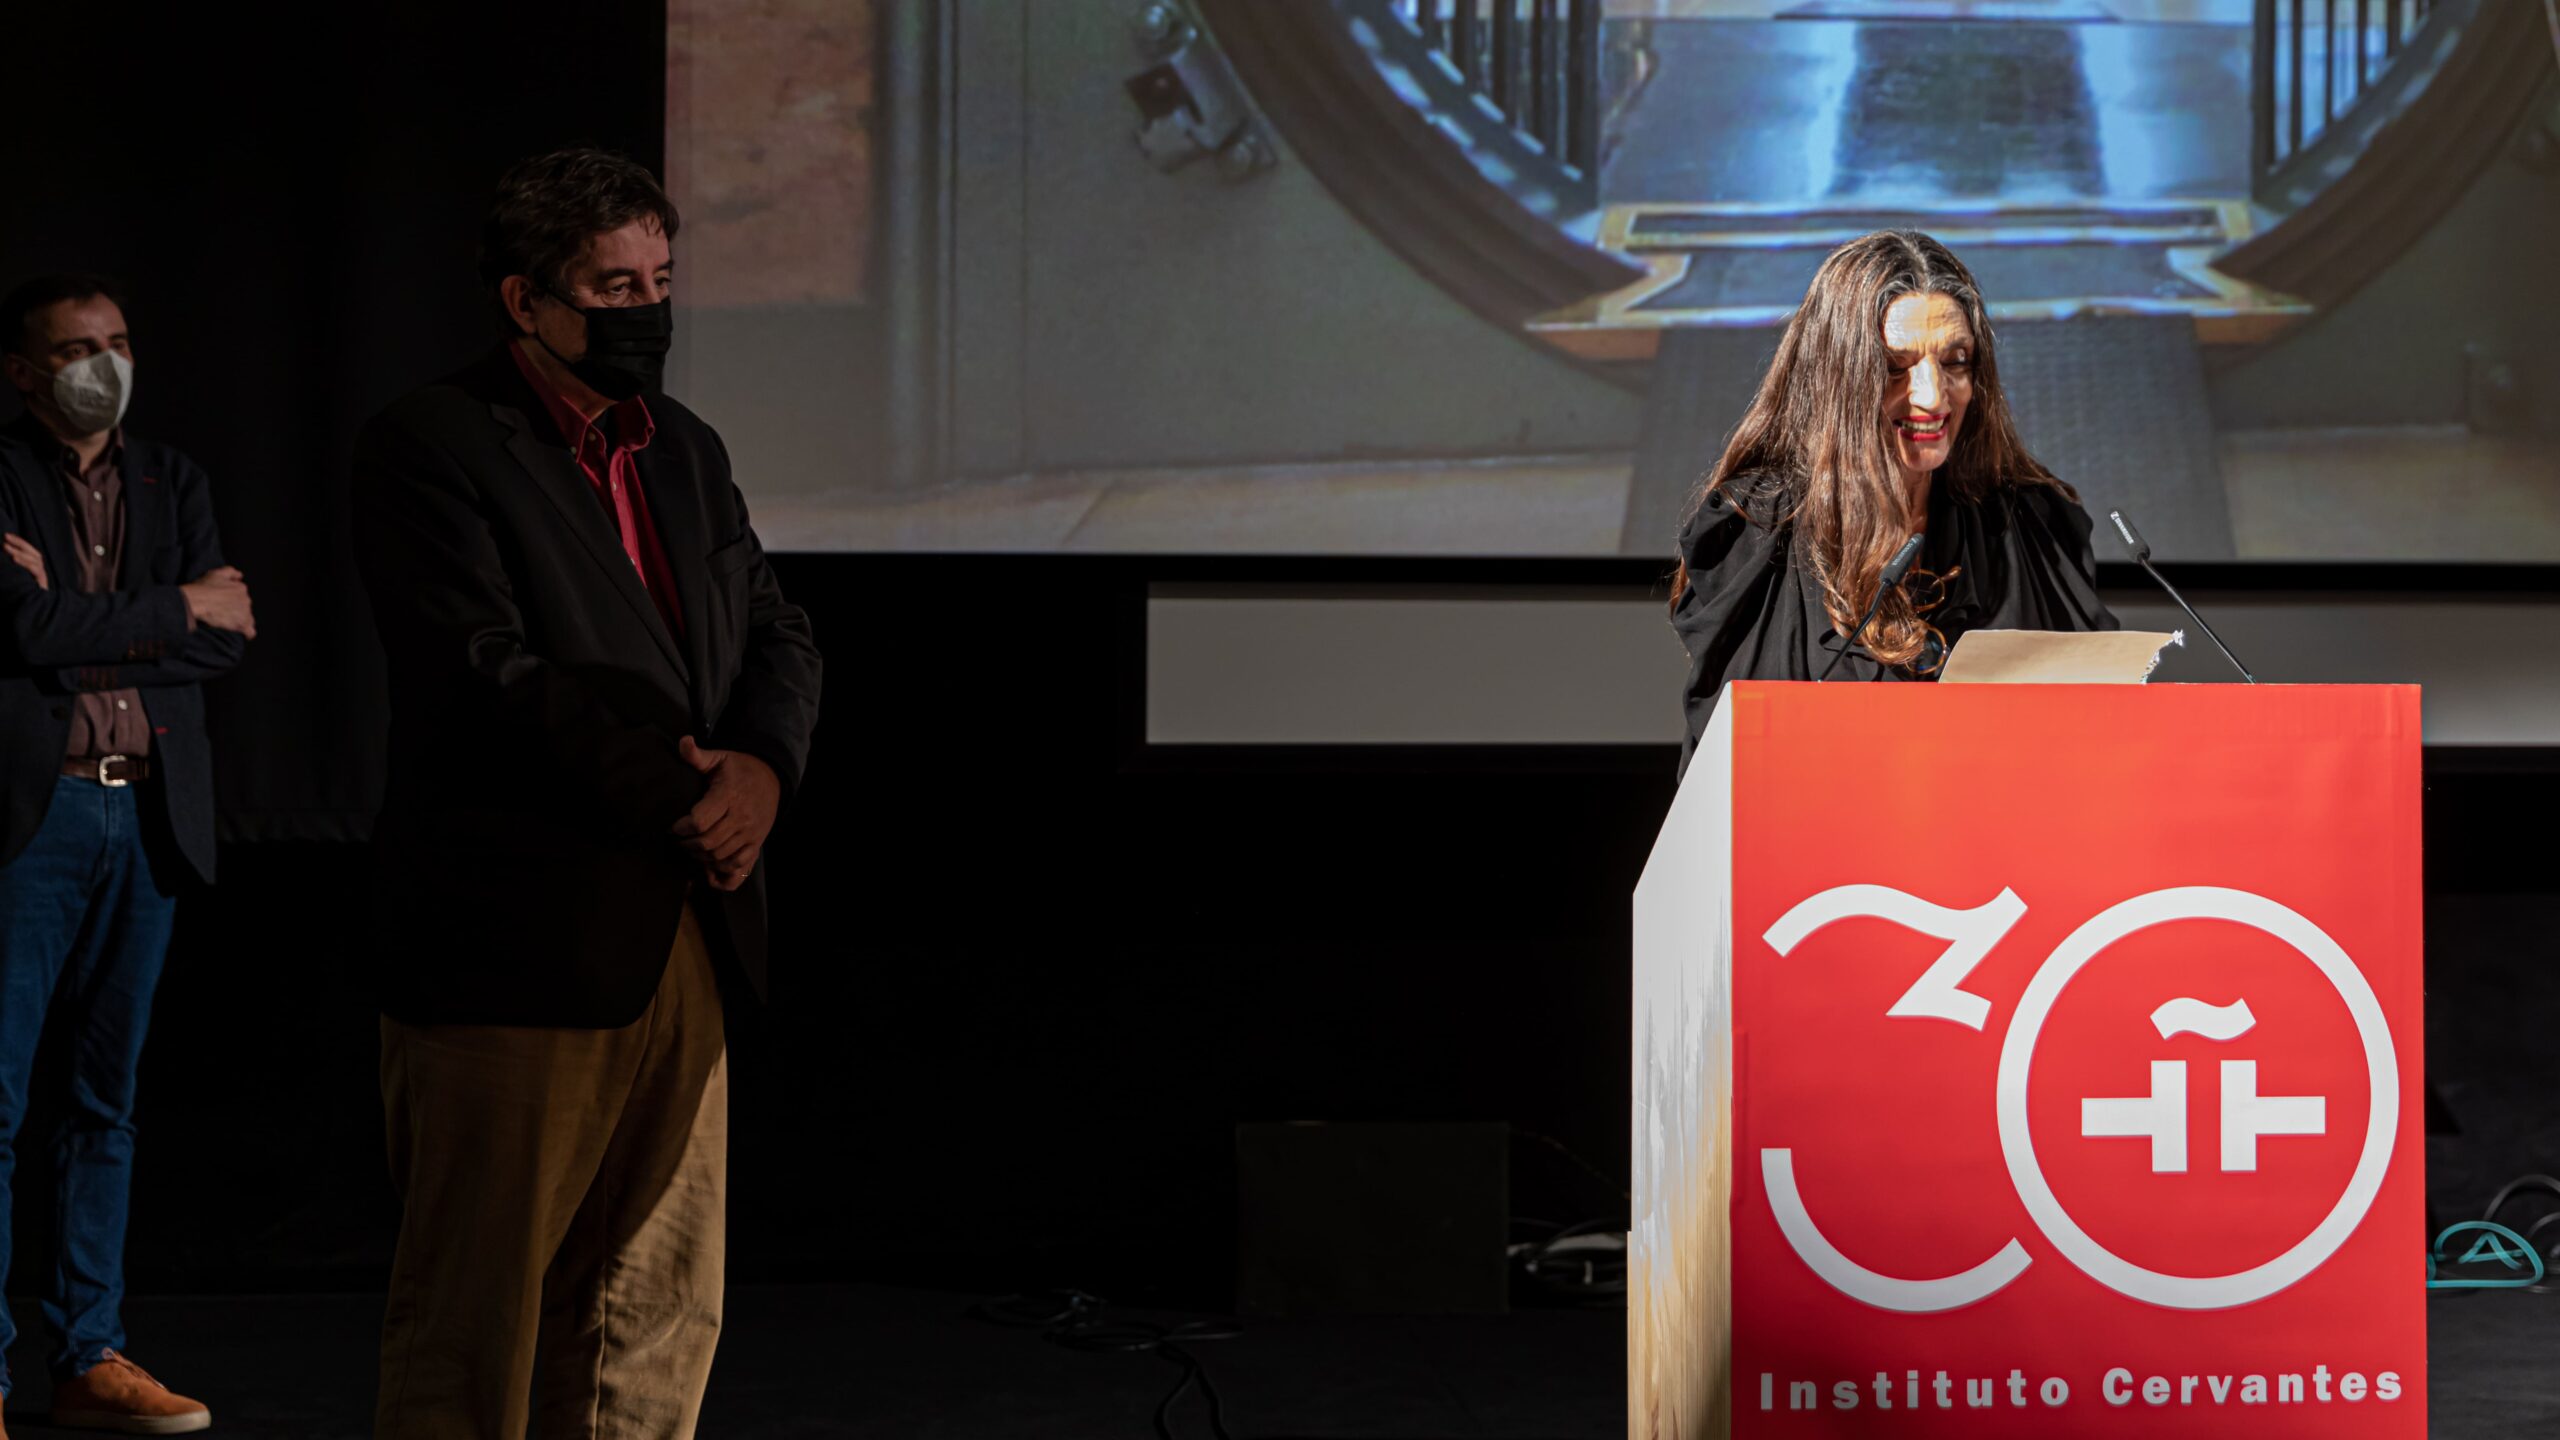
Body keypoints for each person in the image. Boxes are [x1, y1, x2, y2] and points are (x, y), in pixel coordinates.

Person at [351, 147, 822, 1438]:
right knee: (484, 1305)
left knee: (660, 1294)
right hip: (519, 932)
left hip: (691, 926)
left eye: (662, 280)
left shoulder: (686, 447)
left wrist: (765, 774)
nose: (647, 314)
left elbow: (774, 628)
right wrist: (689, 796)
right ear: (526, 302)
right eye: (615, 288)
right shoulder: (429, 446)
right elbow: (482, 671)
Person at [0, 273, 251, 1434]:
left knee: (106, 1105)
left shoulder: (173, 477)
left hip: (144, 814)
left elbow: (226, 645)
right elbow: (17, 627)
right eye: (73, 347)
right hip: (32, 819)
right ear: (24, 370)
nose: (103, 361)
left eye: (116, 341)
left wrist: (90, 626)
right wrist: (174, 608)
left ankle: (90, 1353)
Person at [1670, 230, 2118, 766]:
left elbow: (2095, 734)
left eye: (1955, 361)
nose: (1932, 396)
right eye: (1894, 367)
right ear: (1838, 378)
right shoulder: (1763, 530)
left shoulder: (2029, 523)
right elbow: (1739, 767)